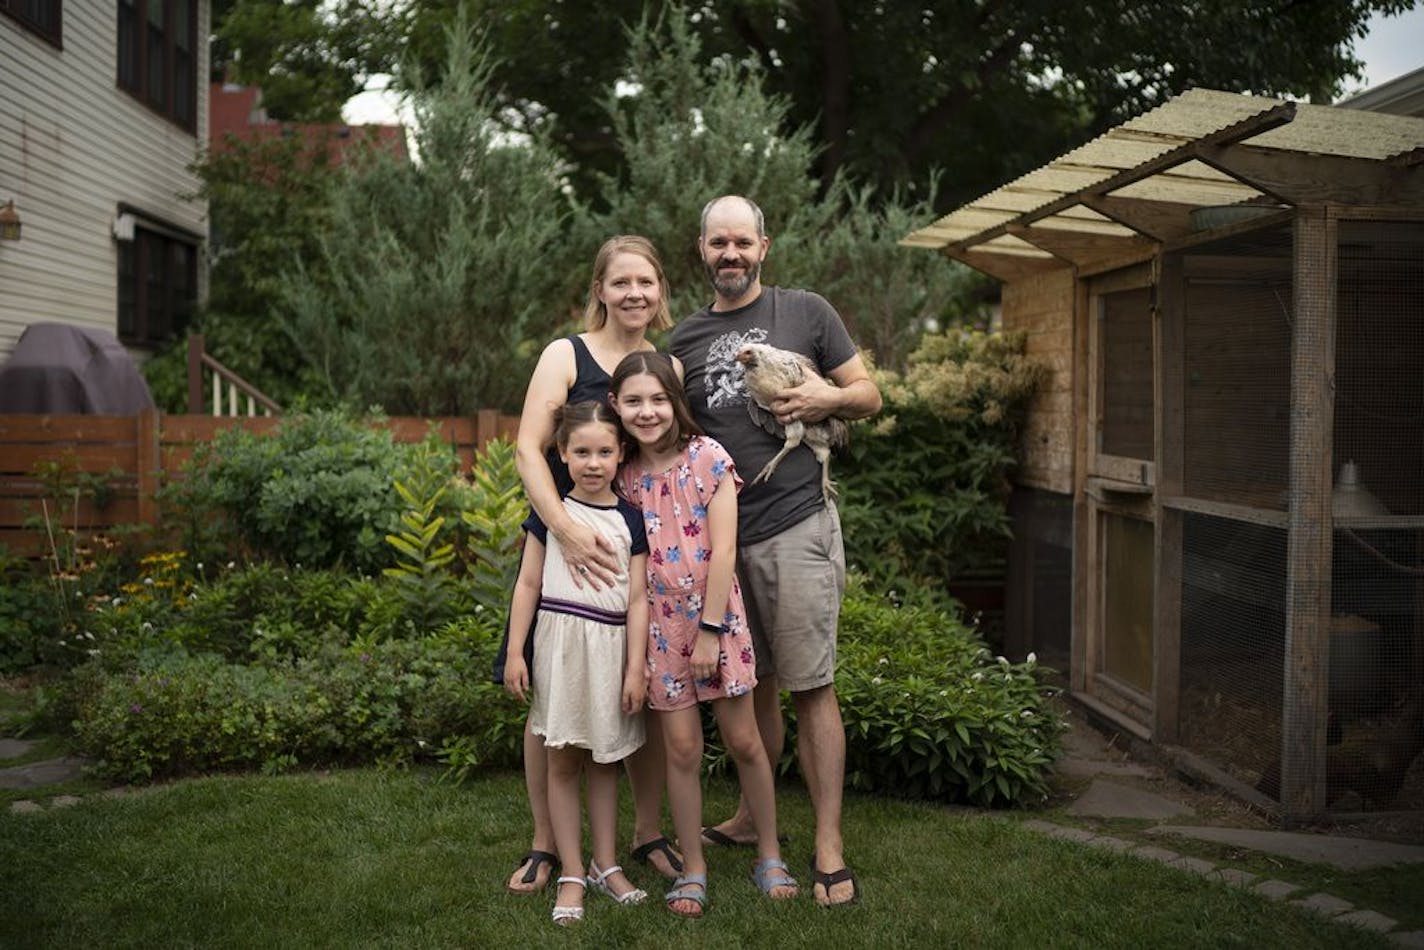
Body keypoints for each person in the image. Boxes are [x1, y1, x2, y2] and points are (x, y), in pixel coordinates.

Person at [669, 195, 882, 907]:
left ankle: (826, 843)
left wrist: (825, 399)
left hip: (795, 525)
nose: (730, 254)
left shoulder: (807, 312)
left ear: (765, 246)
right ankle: (753, 816)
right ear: (701, 250)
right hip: (721, 545)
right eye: (717, 243)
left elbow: (871, 395)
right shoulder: (687, 337)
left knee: (809, 684)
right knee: (748, 685)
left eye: (742, 242)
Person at [499, 236, 682, 894]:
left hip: (637, 537)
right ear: (599, 289)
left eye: (647, 281)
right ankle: (546, 841)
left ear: (660, 290)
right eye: (622, 281)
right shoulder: (565, 355)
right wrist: (565, 529)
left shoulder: (666, 365)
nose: (635, 292)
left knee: (640, 691)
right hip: (564, 528)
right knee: (551, 695)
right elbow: (527, 448)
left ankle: (645, 833)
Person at [610, 351, 798, 918]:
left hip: (715, 617)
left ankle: (769, 853)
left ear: (676, 402)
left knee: (744, 740)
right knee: (683, 749)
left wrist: (712, 631)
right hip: (659, 630)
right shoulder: (625, 477)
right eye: (634, 401)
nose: (648, 412)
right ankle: (693, 866)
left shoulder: (708, 458)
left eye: (658, 399)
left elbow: (724, 551)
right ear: (616, 406)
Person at [503, 400, 650, 925]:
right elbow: (527, 583)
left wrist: (636, 667)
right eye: (581, 451)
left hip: (610, 652)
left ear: (621, 454)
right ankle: (569, 870)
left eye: (604, 452)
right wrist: (516, 652)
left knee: (606, 760)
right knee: (563, 759)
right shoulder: (551, 517)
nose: (593, 463)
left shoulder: (631, 520)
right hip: (560, 651)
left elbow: (637, 601)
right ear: (561, 454)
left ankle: (605, 864)